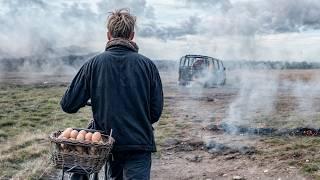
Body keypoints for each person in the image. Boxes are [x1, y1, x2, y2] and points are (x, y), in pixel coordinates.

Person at [60, 8, 163, 180]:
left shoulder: (92, 64)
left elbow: (68, 105)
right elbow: (155, 112)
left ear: (109, 35)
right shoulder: (148, 66)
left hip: (108, 144)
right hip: (139, 144)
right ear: (132, 35)